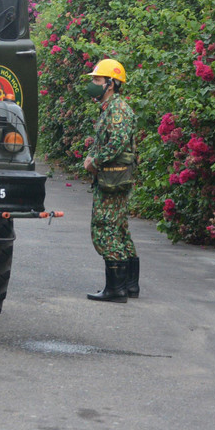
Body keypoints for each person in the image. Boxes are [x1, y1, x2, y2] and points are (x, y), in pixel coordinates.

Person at [83, 58, 140, 302]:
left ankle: (115, 289)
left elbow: (115, 144)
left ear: (112, 84)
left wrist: (94, 162)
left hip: (112, 178)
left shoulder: (117, 110)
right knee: (118, 229)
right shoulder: (112, 108)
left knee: (104, 229)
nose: (94, 84)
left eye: (97, 80)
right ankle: (129, 285)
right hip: (114, 177)